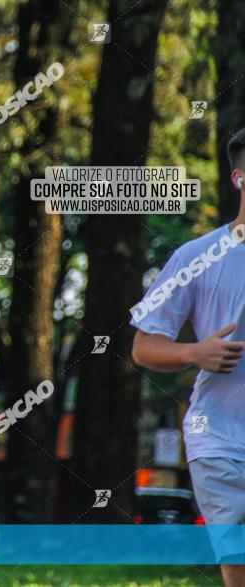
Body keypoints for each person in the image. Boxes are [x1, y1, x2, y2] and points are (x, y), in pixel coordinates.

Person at [131, 127, 245, 587]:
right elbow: (144, 346)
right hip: (218, 439)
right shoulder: (198, 257)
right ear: (240, 178)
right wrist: (198, 352)